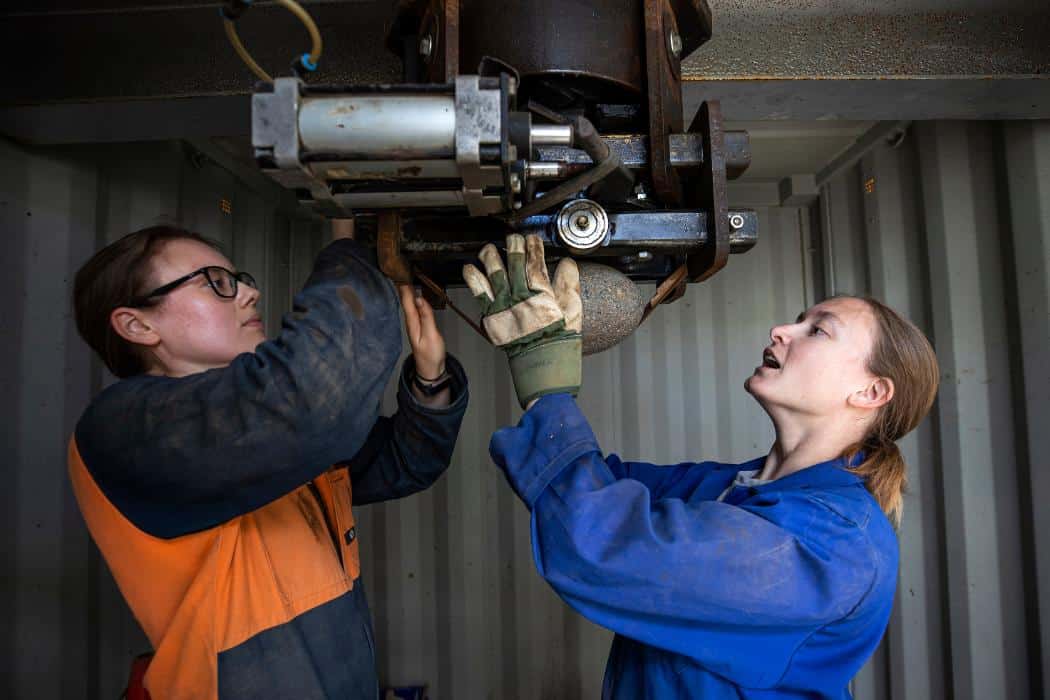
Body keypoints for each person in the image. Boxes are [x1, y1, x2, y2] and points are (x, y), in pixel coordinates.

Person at [464, 234, 939, 699]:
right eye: (798, 320)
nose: (781, 330)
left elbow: (602, 541)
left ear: (871, 392)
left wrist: (546, 387)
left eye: (817, 330)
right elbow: (587, 485)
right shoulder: (731, 485)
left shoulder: (832, 544)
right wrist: (550, 365)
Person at [68, 224, 468, 700]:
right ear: (138, 325)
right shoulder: (124, 428)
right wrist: (352, 246)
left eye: (239, 278)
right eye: (216, 282)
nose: (249, 293)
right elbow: (315, 398)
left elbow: (405, 461)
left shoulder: (261, 434)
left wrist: (430, 378)